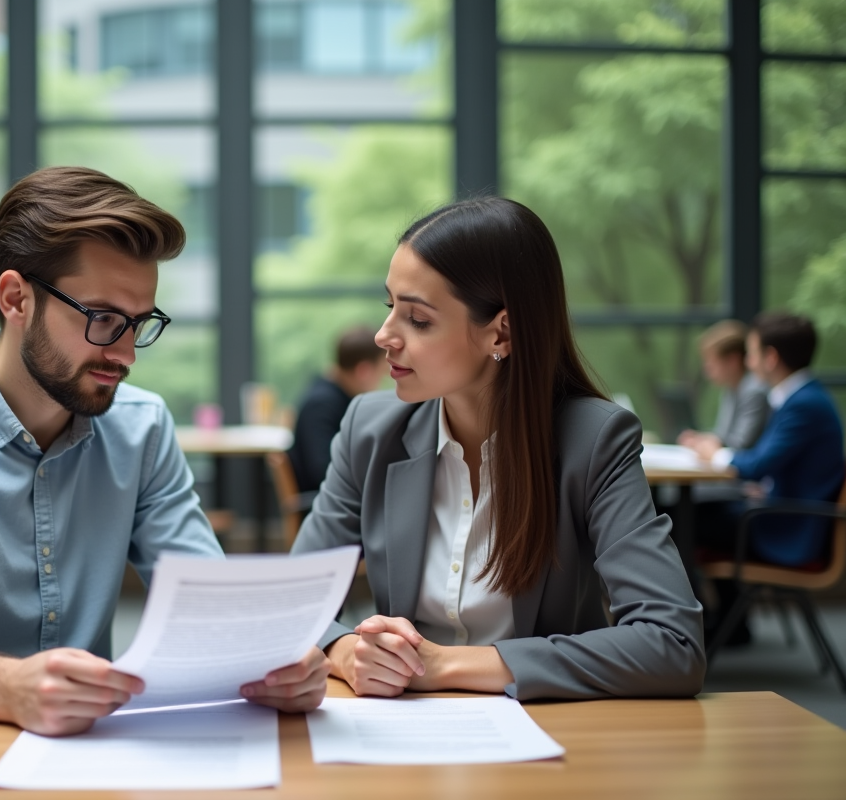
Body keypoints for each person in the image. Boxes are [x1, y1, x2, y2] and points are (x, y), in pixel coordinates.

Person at [0, 167, 330, 736]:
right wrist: (6, 687)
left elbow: (206, 600)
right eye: (102, 320)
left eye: (139, 324)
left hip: (88, 752)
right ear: (15, 298)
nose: (125, 354)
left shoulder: (141, 428)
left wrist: (280, 656)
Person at [291, 197, 705, 700]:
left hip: (547, 731)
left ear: (501, 331)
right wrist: (345, 652)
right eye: (389, 308)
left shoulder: (594, 441)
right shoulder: (369, 429)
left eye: (417, 320)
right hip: (397, 732)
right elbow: (293, 603)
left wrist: (444, 666)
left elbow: (673, 644)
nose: (384, 337)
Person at [689, 313, 845, 638]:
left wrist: (715, 454)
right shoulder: (800, 399)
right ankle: (721, 625)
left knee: (681, 521)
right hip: (778, 510)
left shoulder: (803, 404)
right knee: (694, 514)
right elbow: (773, 467)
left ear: (770, 358)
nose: (748, 361)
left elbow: (758, 464)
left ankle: (697, 627)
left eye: (752, 352)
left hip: (788, 527)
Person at [289, 325, 386, 493]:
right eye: (381, 373)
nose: (380, 383)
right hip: (324, 504)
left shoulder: (333, 396)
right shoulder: (321, 405)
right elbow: (322, 471)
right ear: (364, 371)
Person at [678, 320, 769, 452]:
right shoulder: (731, 389)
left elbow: (740, 444)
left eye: (711, 362)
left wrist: (707, 443)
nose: (706, 370)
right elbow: (724, 435)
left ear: (733, 360)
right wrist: (702, 439)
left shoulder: (754, 391)